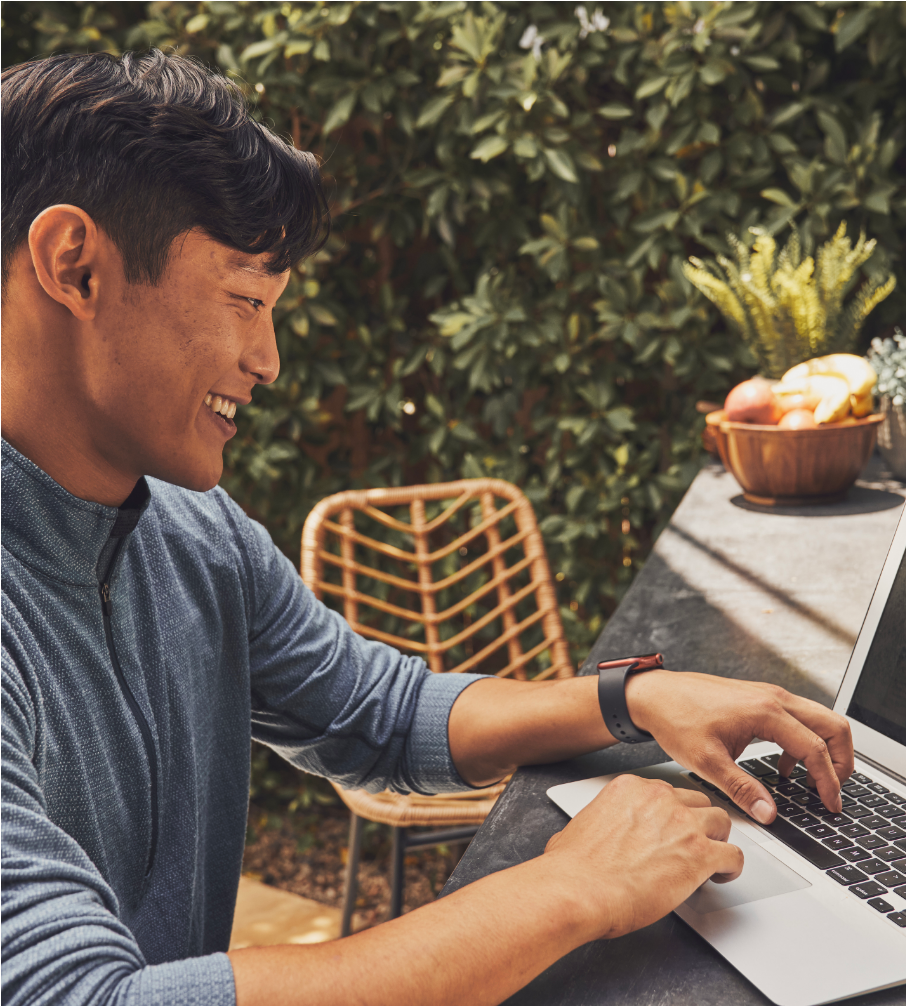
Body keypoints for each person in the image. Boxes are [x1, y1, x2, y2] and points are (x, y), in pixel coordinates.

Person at [1, 49, 852, 1007]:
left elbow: (376, 706)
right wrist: (574, 885)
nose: (268, 360)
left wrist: (630, 701)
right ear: (74, 265)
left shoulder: (196, 532)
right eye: (245, 299)